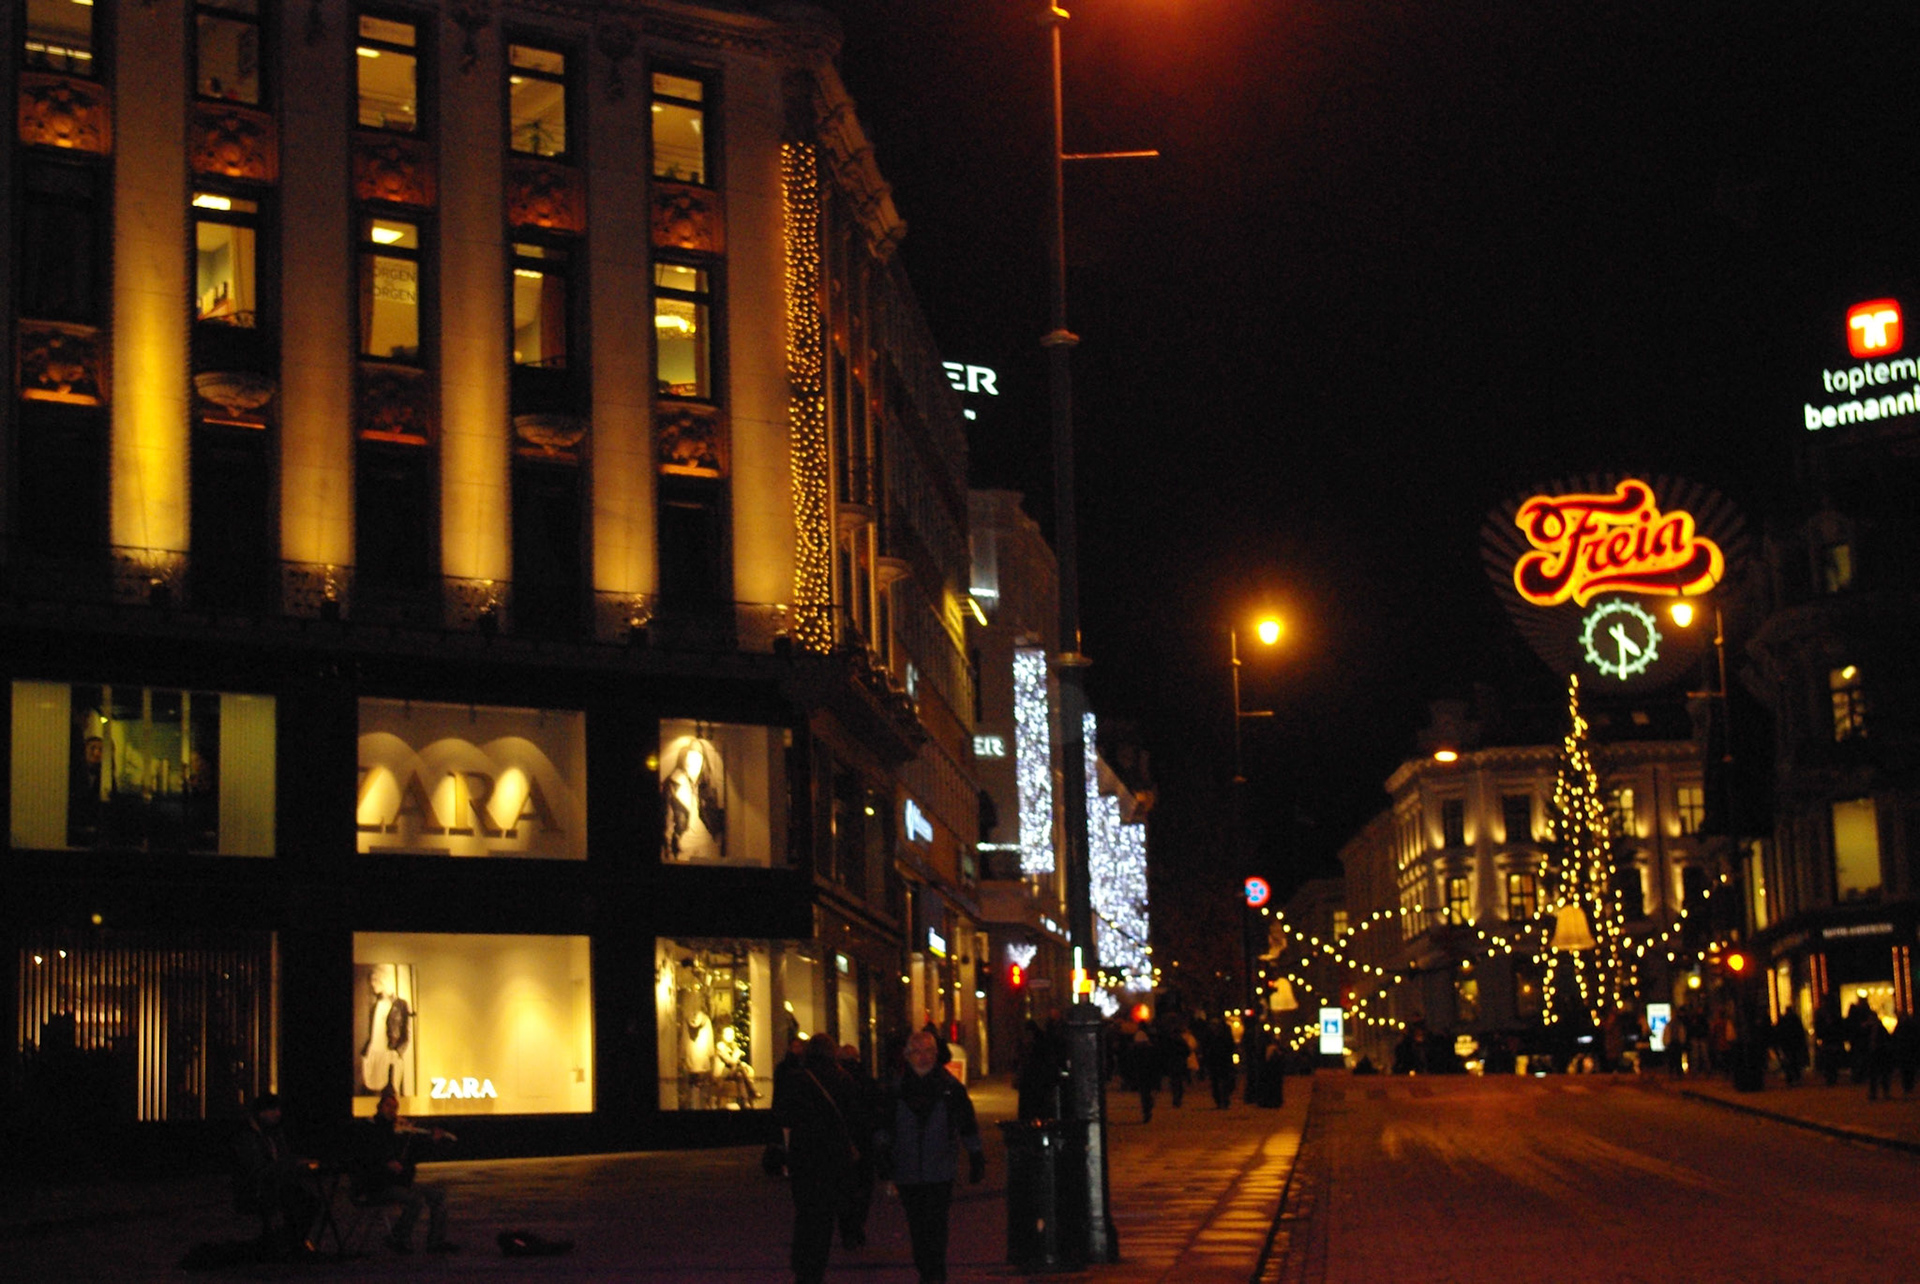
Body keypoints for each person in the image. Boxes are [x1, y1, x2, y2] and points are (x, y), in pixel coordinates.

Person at [877, 1030, 984, 1284]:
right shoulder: (896, 1090)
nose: (923, 1058)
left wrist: (976, 1156)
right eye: (917, 1052)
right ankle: (927, 1270)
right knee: (917, 1227)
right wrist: (884, 1161)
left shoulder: (950, 1089)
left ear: (936, 1055)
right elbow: (883, 1127)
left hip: (940, 1171)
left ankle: (934, 1275)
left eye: (928, 1052)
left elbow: (967, 1124)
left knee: (936, 1227)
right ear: (907, 1056)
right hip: (908, 1171)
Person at [777, 1036, 865, 1284]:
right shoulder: (843, 1078)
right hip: (834, 1157)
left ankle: (803, 1264)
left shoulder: (796, 1079)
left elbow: (784, 1116)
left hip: (804, 1156)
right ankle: (815, 1266)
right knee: (825, 1214)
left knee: (806, 1212)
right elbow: (854, 1117)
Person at [354, 1087, 456, 1254]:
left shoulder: (400, 1133)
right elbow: (367, 1157)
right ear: (379, 1107)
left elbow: (416, 1155)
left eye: (395, 1108)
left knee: (438, 1194)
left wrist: (432, 1140)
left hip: (400, 1183)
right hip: (377, 1185)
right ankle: (399, 1236)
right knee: (415, 1199)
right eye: (388, 1106)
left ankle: (436, 1241)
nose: (392, 1111)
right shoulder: (370, 1129)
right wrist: (387, 1163)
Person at [231, 1093, 322, 1257]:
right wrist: (291, 1165)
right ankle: (289, 1242)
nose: (278, 1114)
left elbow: (283, 1157)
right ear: (261, 1113)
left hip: (274, 1185)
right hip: (256, 1189)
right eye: (273, 1110)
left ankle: (290, 1241)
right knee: (301, 1201)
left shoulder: (273, 1133)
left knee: (307, 1200)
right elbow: (257, 1168)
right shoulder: (248, 1136)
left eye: (278, 1109)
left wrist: (298, 1162)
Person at [837, 1044, 882, 1251]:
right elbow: (876, 1108)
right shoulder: (866, 1080)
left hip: (842, 1141)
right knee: (864, 1186)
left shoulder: (835, 1080)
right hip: (864, 1139)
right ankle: (857, 1225)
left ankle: (847, 1228)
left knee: (844, 1187)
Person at [1773, 1007, 1808, 1086]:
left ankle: (1791, 1078)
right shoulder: (1795, 1020)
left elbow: (1778, 1033)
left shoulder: (1784, 1021)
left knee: (1790, 1061)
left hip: (1788, 1044)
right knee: (1793, 1061)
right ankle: (1795, 1077)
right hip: (1792, 1044)